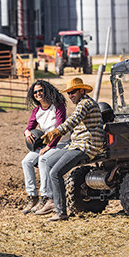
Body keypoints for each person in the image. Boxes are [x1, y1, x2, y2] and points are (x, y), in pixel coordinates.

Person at [39, 77, 106, 221]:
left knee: (55, 172)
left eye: (73, 92)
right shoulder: (82, 103)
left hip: (86, 146)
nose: (70, 96)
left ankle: (61, 211)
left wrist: (55, 132)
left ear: (82, 90)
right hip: (76, 144)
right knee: (48, 162)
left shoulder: (85, 103)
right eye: (68, 93)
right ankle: (52, 201)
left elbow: (72, 121)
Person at [21, 80, 69, 214]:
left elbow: (60, 129)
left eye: (40, 90)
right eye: (35, 92)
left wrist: (49, 146)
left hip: (61, 143)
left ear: (47, 90)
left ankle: (46, 197)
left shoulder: (58, 106)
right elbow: (29, 127)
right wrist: (26, 132)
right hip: (47, 145)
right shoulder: (37, 111)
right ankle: (32, 196)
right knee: (26, 162)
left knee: (43, 160)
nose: (38, 94)